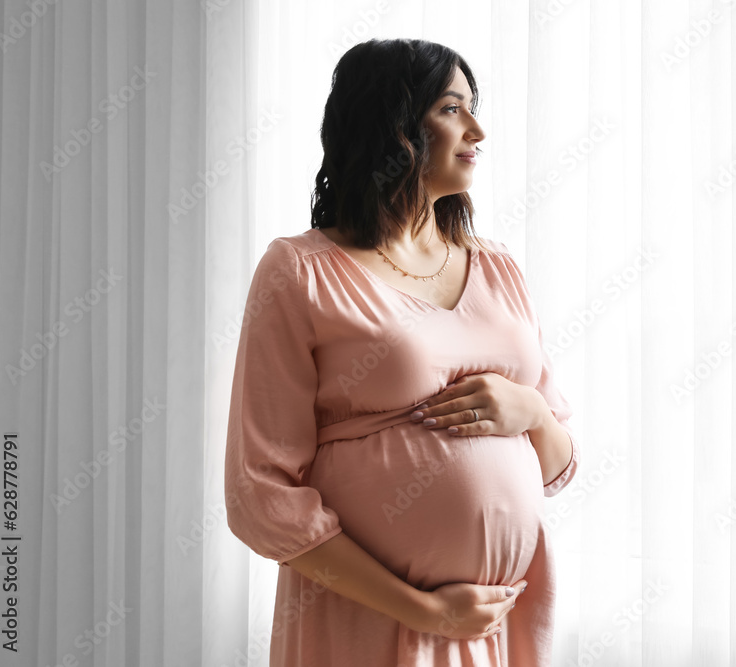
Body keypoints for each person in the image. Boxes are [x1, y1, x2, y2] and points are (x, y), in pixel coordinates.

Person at [224, 37, 580, 666]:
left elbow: (558, 467)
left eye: (473, 107)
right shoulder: (300, 271)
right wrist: (425, 611)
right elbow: (261, 496)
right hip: (370, 622)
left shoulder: (497, 267)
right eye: (452, 109)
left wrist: (532, 412)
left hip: (499, 623)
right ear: (393, 126)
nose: (477, 130)